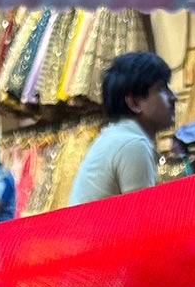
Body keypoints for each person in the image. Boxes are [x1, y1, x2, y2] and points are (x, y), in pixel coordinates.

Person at [65, 50, 174, 206]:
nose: (173, 97)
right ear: (134, 103)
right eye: (162, 89)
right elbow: (145, 224)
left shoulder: (116, 137)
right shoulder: (132, 144)